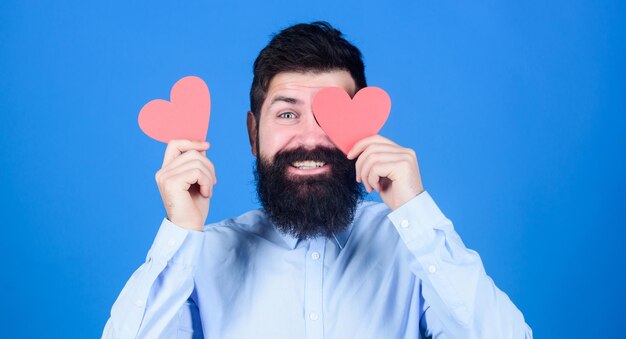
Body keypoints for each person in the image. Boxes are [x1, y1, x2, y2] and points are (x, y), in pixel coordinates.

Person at [102, 21, 533, 338]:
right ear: (253, 134)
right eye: (287, 114)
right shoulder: (204, 255)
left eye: (329, 115)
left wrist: (416, 210)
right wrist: (180, 232)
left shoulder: (414, 245)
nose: (310, 137)